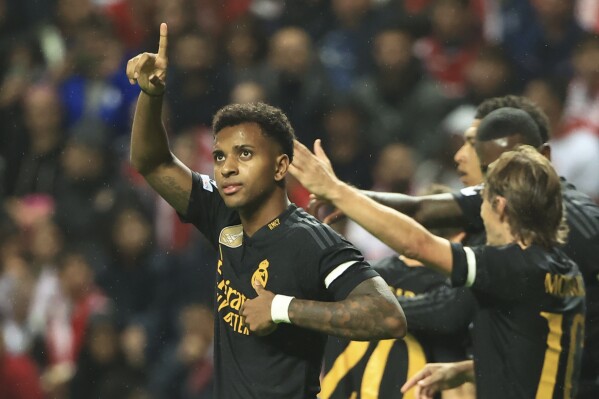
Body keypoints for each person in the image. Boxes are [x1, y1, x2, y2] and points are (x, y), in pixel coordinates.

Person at [126, 23, 406, 399]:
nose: (226, 167)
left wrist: (283, 308)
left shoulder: (310, 239)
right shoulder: (221, 212)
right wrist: (151, 94)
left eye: (244, 154)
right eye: (220, 156)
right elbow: (152, 162)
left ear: (279, 168)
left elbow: (387, 316)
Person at [290, 137, 586, 398]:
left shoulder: (508, 267)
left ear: (500, 207)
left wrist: (335, 189)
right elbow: (532, 356)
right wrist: (466, 369)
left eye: (481, 202)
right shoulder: (567, 271)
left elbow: (417, 244)